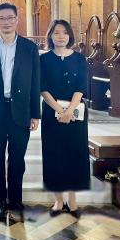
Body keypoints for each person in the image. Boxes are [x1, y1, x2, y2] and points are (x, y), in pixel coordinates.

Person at [0, 2, 40, 220]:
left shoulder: (30, 48)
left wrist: (35, 113)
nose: (6, 22)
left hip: (20, 111)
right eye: (1, 18)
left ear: (16, 19)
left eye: (9, 18)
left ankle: (15, 199)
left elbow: (35, 82)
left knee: (17, 159)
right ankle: (0, 199)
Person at [40, 19, 89, 219]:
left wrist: (69, 110)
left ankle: (73, 199)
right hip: (52, 115)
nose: (61, 36)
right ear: (50, 36)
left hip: (75, 115)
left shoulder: (79, 59)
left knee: (75, 155)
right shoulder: (44, 60)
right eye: (56, 32)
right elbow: (42, 88)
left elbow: (81, 87)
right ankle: (58, 200)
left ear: (70, 36)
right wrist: (60, 110)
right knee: (54, 155)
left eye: (64, 32)